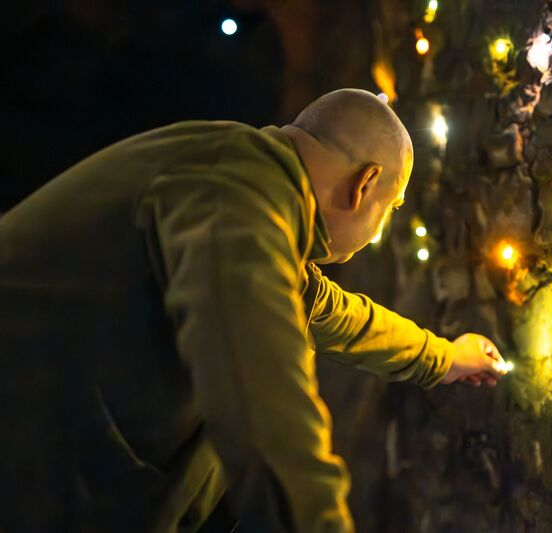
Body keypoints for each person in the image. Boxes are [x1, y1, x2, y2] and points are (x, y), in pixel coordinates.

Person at [0, 88, 508, 532]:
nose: (380, 228)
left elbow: (332, 313)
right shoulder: (236, 196)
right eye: (391, 208)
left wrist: (445, 357)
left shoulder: (246, 185)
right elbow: (264, 404)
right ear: (365, 184)